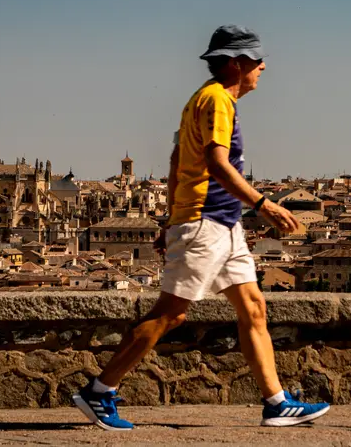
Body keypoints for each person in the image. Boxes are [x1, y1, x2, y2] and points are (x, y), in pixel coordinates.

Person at [73, 25, 330, 431]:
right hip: (205, 223)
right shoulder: (216, 101)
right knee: (170, 315)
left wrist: (170, 218)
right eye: (256, 59)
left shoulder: (203, 100)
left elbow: (177, 162)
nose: (263, 66)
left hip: (222, 225)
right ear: (235, 63)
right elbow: (217, 164)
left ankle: (277, 403)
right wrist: (264, 204)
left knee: (254, 308)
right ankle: (99, 390)